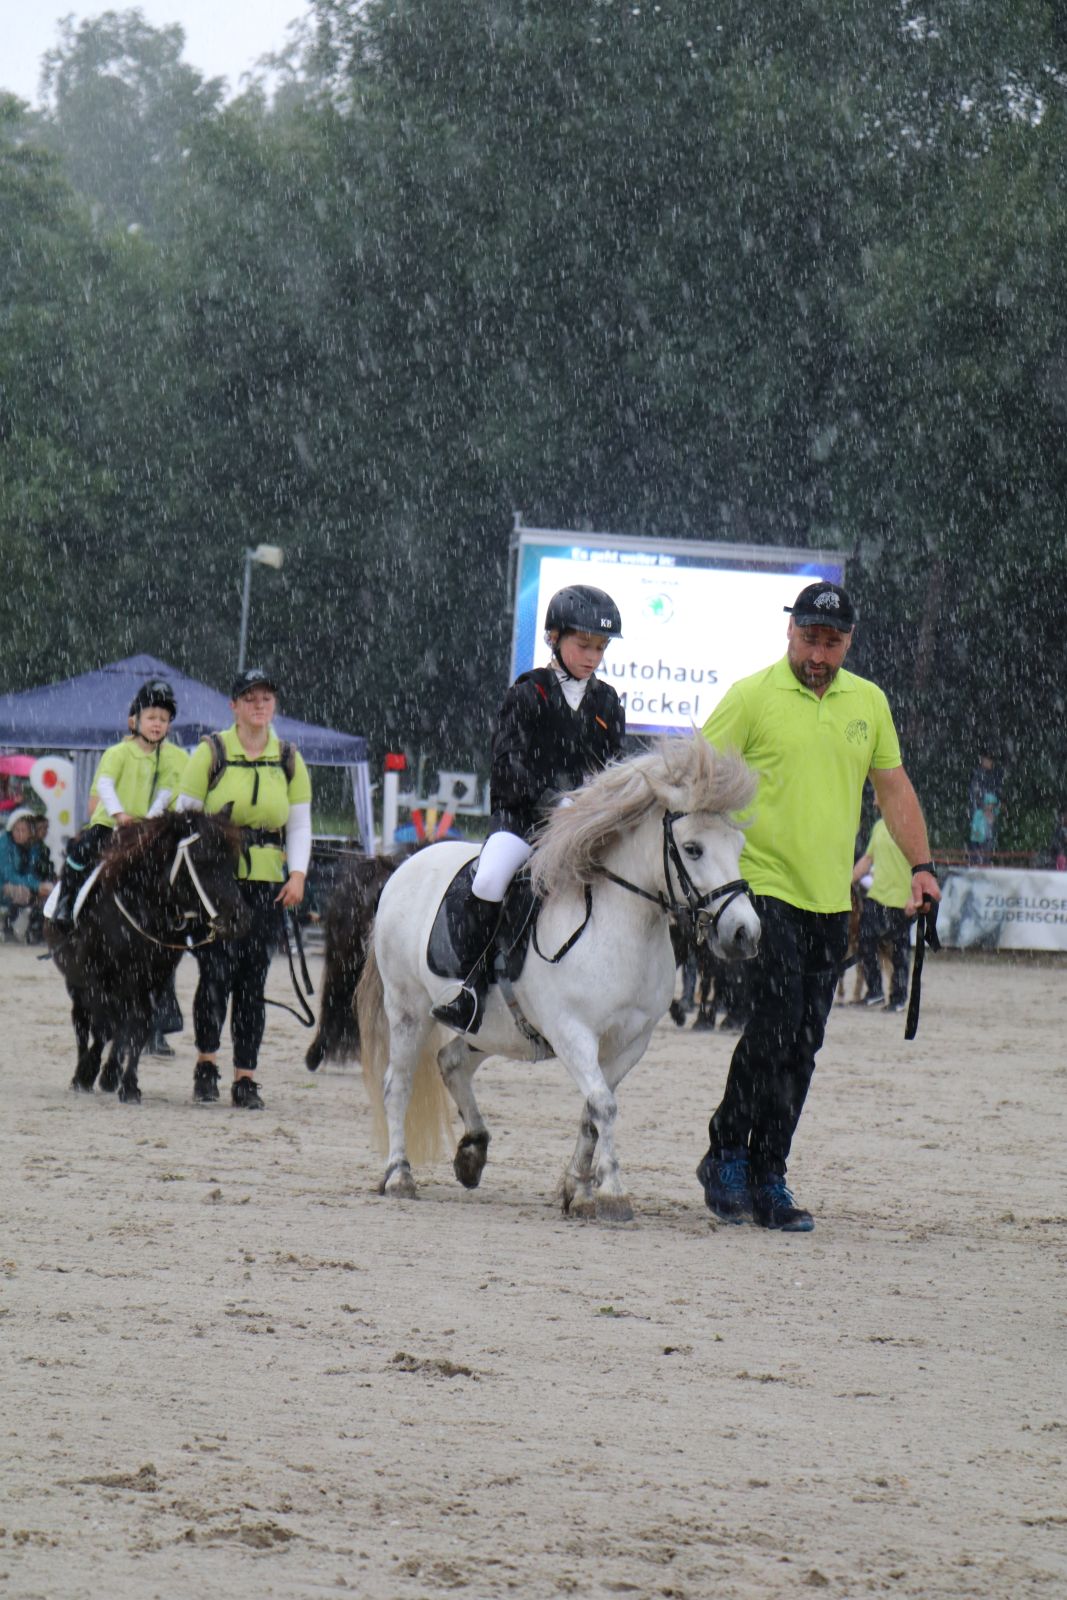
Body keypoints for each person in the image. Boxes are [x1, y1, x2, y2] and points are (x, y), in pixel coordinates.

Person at [695, 580, 940, 1233]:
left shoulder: (869, 703)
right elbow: (696, 782)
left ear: (848, 641)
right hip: (761, 888)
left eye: (831, 643)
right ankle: (727, 1154)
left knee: (804, 1042)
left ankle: (769, 1174)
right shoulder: (750, 697)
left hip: (831, 901)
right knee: (774, 1024)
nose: (818, 654)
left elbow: (893, 790)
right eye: (809, 639)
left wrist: (920, 867)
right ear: (789, 631)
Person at [431, 584, 626, 1033]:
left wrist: (600, 805)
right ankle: (470, 987)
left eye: (600, 647)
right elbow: (508, 768)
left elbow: (615, 768)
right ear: (554, 638)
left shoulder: (607, 702)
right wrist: (557, 801)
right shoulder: (527, 693)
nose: (593, 657)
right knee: (490, 878)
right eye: (584, 645)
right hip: (523, 822)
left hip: (584, 827)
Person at [177, 668, 312, 1110]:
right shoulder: (211, 752)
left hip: (268, 884)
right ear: (233, 706)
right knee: (215, 974)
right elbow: (186, 816)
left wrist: (297, 875)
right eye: (250, 698)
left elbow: (300, 824)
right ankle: (206, 1066)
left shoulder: (288, 758)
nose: (259, 705)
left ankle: (246, 1078)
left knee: (253, 981)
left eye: (266, 698)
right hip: (218, 883)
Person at [49, 678, 187, 929]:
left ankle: (169, 915)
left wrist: (150, 820)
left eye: (164, 719)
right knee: (80, 853)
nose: (158, 723)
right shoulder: (118, 752)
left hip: (140, 828)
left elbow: (165, 793)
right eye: (152, 717)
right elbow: (105, 785)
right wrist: (119, 814)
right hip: (108, 823)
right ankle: (66, 903)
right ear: (134, 721)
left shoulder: (165, 760)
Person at [851, 800, 914, 1013]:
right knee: (865, 942)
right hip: (877, 895)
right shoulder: (879, 826)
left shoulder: (910, 826)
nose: (875, 800)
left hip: (900, 899)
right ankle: (875, 991)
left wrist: (913, 897)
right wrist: (847, 881)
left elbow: (920, 863)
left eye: (878, 796)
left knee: (899, 952)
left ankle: (898, 997)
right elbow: (867, 859)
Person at [1, 808, 55, 941]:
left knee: (47, 894)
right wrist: (36, 886)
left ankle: (35, 929)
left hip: (22, 884)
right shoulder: (4, 844)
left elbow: (32, 872)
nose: (19, 834)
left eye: (23, 830)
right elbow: (9, 875)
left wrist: (41, 886)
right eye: (16, 830)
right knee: (22, 893)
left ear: (31, 832)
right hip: (4, 885)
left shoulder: (34, 847)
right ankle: (9, 922)